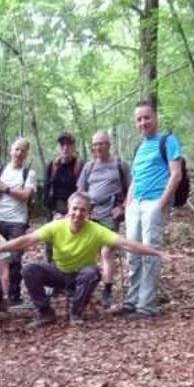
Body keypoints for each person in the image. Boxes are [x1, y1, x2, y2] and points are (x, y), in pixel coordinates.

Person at [0, 191, 167, 328]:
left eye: (83, 210)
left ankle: (76, 313)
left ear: (89, 213)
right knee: (29, 270)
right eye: (75, 209)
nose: (78, 213)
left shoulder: (96, 230)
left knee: (92, 272)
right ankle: (45, 312)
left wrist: (157, 253)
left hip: (82, 276)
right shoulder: (56, 226)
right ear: (69, 210)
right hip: (59, 273)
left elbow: (126, 244)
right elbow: (27, 240)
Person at [123, 100, 183, 319]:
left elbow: (176, 174)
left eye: (146, 117)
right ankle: (132, 299)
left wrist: (161, 203)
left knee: (150, 251)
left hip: (154, 203)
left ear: (155, 117)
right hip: (135, 204)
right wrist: (128, 202)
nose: (143, 122)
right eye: (139, 119)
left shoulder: (168, 141)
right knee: (132, 251)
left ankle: (146, 305)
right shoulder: (139, 147)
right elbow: (135, 178)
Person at [77, 130, 130, 309]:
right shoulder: (88, 167)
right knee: (87, 253)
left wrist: (122, 208)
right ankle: (85, 289)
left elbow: (131, 189)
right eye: (95, 144)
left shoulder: (120, 165)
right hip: (91, 215)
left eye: (102, 143)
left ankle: (107, 291)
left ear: (109, 144)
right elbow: (81, 190)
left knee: (107, 253)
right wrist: (83, 210)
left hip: (110, 215)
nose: (98, 147)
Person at [0, 137, 36, 305]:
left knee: (14, 258)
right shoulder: (0, 170)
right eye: (17, 149)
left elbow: (25, 196)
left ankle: (14, 295)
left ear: (27, 153)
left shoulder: (29, 174)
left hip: (17, 222)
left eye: (23, 150)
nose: (19, 153)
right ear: (11, 150)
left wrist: (5, 189)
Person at [43, 132, 83, 264]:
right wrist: (49, 209)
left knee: (69, 241)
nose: (65, 148)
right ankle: (50, 271)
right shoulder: (52, 165)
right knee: (50, 239)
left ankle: (68, 272)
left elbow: (81, 190)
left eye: (68, 145)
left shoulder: (79, 165)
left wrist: (70, 212)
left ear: (73, 147)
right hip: (53, 207)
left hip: (72, 208)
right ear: (59, 147)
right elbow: (47, 186)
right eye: (62, 145)